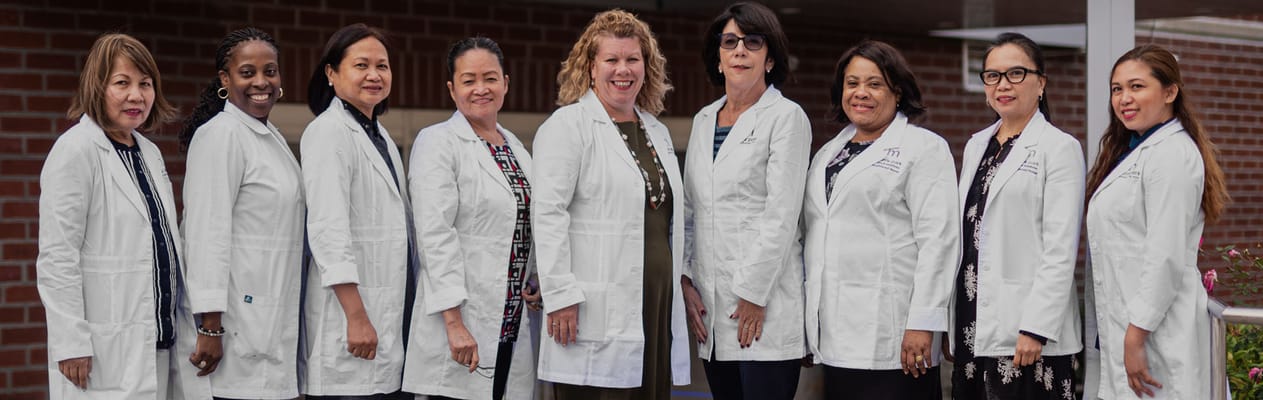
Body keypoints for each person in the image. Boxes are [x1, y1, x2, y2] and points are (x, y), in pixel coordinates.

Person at [37, 33, 210, 399]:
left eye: (145, 84)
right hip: (103, 349)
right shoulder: (75, 150)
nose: (137, 95)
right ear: (96, 87)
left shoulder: (148, 151)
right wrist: (70, 342)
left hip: (157, 341)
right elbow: (57, 256)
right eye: (122, 83)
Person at [531, 9, 690, 400]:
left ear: (646, 67)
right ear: (590, 67)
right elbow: (548, 214)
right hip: (592, 304)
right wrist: (561, 294)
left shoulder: (657, 131)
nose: (624, 70)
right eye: (612, 60)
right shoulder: (568, 126)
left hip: (653, 301)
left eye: (633, 59)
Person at [801, 40, 959, 400]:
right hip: (837, 333)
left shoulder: (924, 148)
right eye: (852, 83)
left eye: (874, 84)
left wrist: (923, 322)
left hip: (896, 334)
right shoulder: (828, 153)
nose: (861, 93)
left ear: (898, 92)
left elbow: (939, 241)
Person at [679, 2, 810, 399]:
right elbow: (689, 211)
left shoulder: (786, 118)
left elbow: (781, 217)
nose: (740, 51)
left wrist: (752, 294)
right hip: (711, 311)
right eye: (730, 42)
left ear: (770, 58)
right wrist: (686, 279)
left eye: (753, 42)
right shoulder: (703, 121)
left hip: (763, 307)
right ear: (718, 57)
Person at [1085, 44, 1229, 399]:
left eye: (1136, 86)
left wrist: (1135, 336)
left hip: (1155, 333)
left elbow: (1164, 256)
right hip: (1133, 327)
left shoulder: (1171, 155)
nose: (1124, 99)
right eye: (1117, 89)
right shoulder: (1134, 150)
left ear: (1169, 92)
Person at [401, 37, 540, 400]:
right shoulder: (438, 143)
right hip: (461, 326)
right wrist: (454, 323)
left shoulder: (516, 149)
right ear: (451, 88)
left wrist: (537, 275)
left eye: (490, 78)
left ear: (506, 83)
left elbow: (525, 226)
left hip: (510, 325)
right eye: (469, 80)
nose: (481, 88)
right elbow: (435, 236)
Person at [949, 32, 1083, 400]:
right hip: (973, 324)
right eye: (992, 76)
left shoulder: (1059, 148)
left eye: (1015, 74)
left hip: (1028, 334)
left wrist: (1036, 327)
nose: (1002, 85)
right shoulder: (978, 145)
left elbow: (1061, 246)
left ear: (1041, 83)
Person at [178, 27, 304, 399]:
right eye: (247, 73)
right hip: (232, 329)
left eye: (270, 71)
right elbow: (205, 235)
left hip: (269, 319)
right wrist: (211, 326)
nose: (261, 82)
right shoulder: (221, 136)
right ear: (225, 79)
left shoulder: (269, 136)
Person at [300, 23, 415, 399]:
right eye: (361, 65)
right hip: (351, 324)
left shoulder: (378, 135)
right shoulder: (328, 132)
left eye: (382, 66)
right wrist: (357, 316)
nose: (374, 75)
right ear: (332, 74)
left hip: (386, 320)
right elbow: (328, 230)